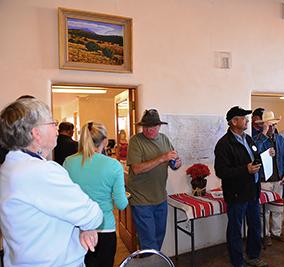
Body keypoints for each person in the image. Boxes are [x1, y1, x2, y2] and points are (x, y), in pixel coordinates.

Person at [0, 98, 103, 267]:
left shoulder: (10, 166)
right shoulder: (39, 172)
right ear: (36, 134)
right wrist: (87, 225)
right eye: (53, 123)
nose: (57, 130)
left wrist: (84, 226)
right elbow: (92, 215)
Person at [63, 122, 128, 267]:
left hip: (79, 228)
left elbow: (66, 197)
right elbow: (121, 204)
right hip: (105, 227)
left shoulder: (69, 162)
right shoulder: (113, 166)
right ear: (105, 141)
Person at [215, 106, 268, 267]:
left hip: (253, 190)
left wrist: (265, 157)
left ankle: (253, 255)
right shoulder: (224, 144)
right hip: (237, 194)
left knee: (255, 225)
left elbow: (255, 156)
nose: (247, 120)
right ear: (234, 121)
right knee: (235, 229)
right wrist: (245, 169)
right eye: (244, 118)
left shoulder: (249, 139)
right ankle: (237, 261)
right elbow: (221, 171)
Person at [126, 109, 182, 251]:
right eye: (146, 127)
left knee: (158, 237)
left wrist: (176, 162)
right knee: (148, 242)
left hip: (160, 198)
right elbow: (137, 169)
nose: (149, 130)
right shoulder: (135, 141)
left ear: (159, 126)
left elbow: (174, 162)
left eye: (153, 127)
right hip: (141, 200)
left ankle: (153, 262)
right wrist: (162, 158)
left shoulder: (164, 139)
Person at [254, 111, 284, 247]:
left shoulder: (280, 139)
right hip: (264, 180)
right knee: (264, 210)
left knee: (278, 208)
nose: (272, 128)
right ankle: (265, 234)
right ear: (263, 125)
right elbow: (255, 152)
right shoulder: (257, 139)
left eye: (274, 124)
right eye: (269, 125)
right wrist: (264, 134)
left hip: (278, 179)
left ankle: (277, 232)